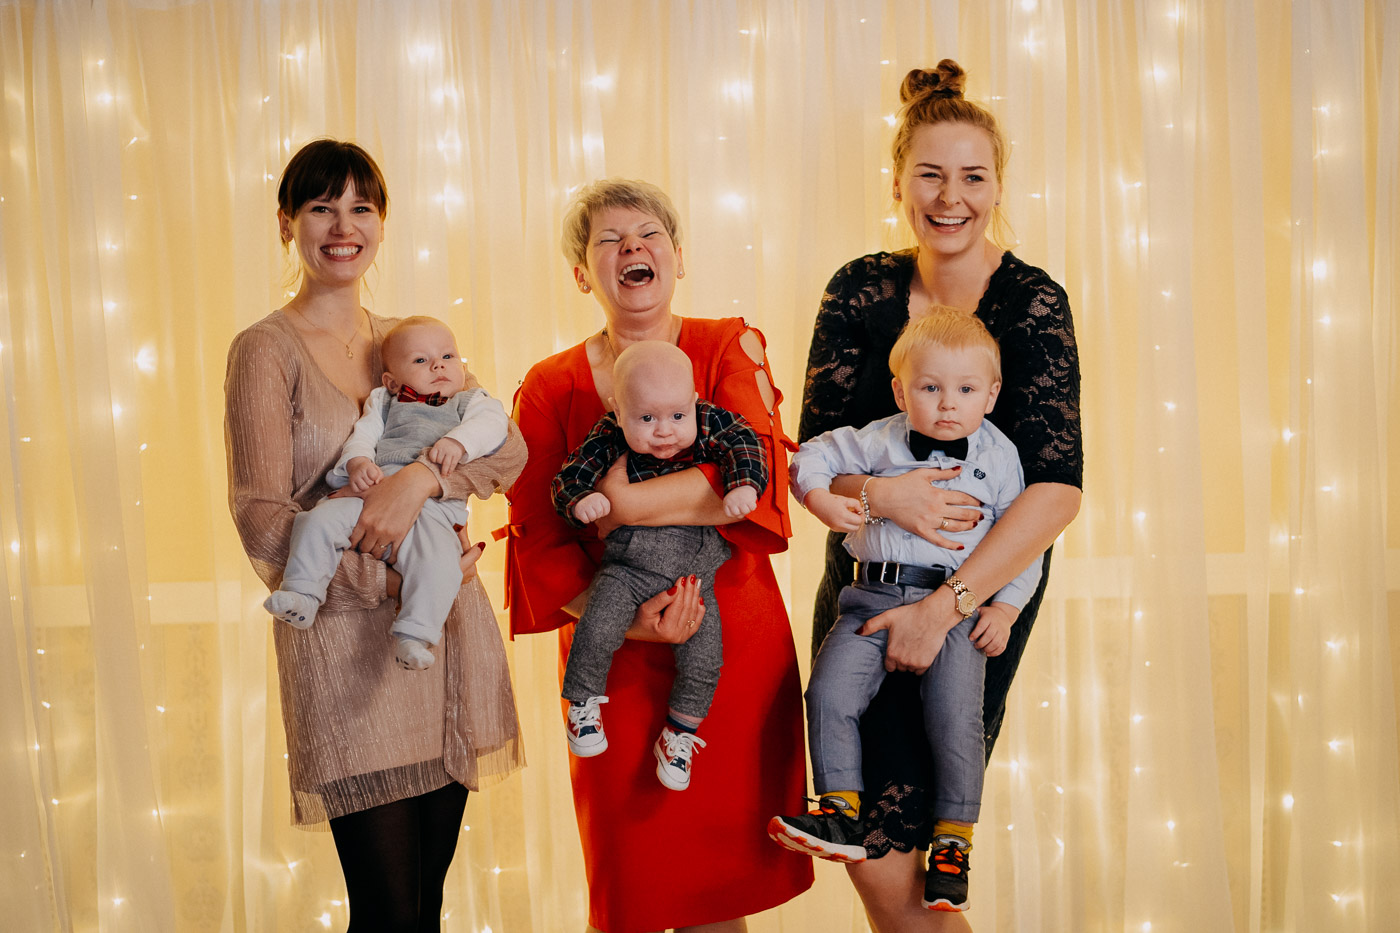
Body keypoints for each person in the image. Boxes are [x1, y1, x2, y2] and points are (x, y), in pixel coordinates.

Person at [798, 61, 1082, 931]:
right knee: (869, 850)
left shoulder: (1032, 303)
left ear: (997, 187)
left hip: (981, 592)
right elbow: (814, 460)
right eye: (929, 175)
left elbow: (1056, 492)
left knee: (917, 839)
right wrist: (886, 496)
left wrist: (948, 607)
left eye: (972, 177)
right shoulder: (858, 290)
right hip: (865, 583)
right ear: (897, 184)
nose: (950, 197)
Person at [224, 138, 525, 932]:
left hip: (445, 640)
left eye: (361, 207)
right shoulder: (265, 350)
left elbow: (506, 447)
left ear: (383, 223)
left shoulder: (412, 338)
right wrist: (390, 573)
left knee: (425, 906)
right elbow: (261, 514)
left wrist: (422, 480)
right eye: (321, 207)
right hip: (345, 658)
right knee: (387, 912)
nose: (342, 226)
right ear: (287, 222)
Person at [505, 178, 812, 932]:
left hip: (728, 642)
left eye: (648, 235)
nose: (631, 249)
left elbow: (757, 480)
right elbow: (536, 533)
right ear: (583, 273)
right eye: (608, 241)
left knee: (718, 895)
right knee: (632, 892)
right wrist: (628, 621)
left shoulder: (726, 344)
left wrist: (622, 502)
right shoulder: (547, 385)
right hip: (608, 659)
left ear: (678, 256)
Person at [770, 310, 1042, 912]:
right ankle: (839, 810)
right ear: (900, 391)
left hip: (956, 610)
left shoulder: (1000, 458)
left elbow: (1024, 540)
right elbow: (807, 456)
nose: (948, 404)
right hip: (869, 597)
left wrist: (1006, 609)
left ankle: (954, 842)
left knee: (955, 719)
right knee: (827, 693)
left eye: (966, 389)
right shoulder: (878, 439)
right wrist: (822, 499)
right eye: (930, 387)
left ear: (991, 394)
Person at [553, 340, 767, 791]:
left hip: (696, 577)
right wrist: (582, 499)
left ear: (694, 401)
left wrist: (744, 484)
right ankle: (583, 703)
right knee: (598, 624)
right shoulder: (607, 435)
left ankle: (680, 734)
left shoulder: (709, 420)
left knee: (706, 660)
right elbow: (570, 475)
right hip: (628, 569)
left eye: (676, 415)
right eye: (646, 419)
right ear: (618, 411)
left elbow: (745, 441)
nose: (665, 431)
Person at [263, 315, 510, 671]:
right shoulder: (383, 401)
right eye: (421, 360)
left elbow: (495, 425)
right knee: (316, 521)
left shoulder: (472, 401)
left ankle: (415, 635)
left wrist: (459, 442)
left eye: (448, 356)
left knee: (441, 564)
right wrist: (358, 463)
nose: (438, 365)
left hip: (436, 509)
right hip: (374, 493)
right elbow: (363, 435)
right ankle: (302, 593)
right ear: (392, 381)